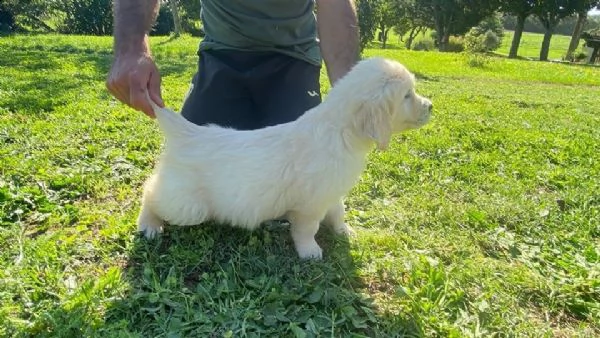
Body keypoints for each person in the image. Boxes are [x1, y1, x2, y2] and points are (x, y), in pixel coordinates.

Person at [106, 0, 359, 130]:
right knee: (198, 169)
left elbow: (335, 5)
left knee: (301, 178)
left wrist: (349, 91)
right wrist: (131, 49)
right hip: (222, 55)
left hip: (293, 59)